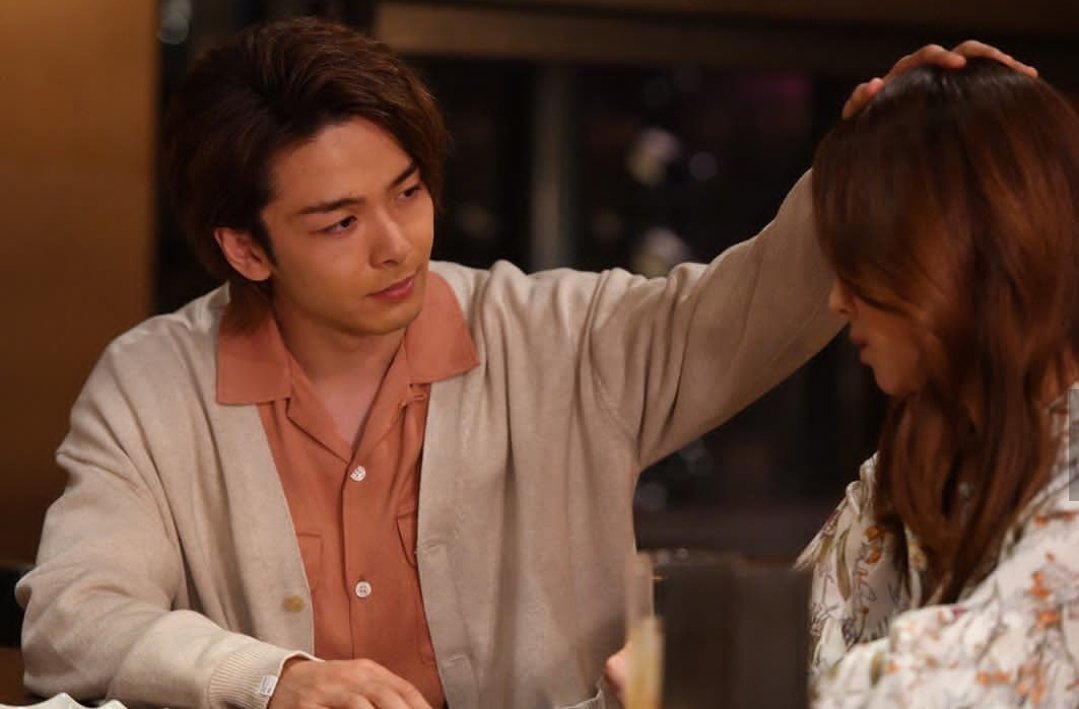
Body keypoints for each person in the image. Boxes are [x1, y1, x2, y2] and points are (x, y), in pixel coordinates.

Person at [14, 14, 1028, 709]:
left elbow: (756, 303)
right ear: (245, 248)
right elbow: (73, 617)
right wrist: (273, 679)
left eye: (407, 192)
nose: (397, 244)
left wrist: (874, 142)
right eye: (338, 221)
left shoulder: (559, 338)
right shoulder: (152, 386)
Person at [797, 58, 1079, 706]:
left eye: (863, 262)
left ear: (953, 254)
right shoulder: (916, 462)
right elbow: (773, 644)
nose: (837, 300)